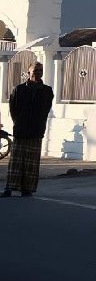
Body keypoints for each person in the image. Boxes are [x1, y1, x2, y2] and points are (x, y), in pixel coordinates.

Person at [2, 62, 54, 198]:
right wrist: (18, 122)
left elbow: (45, 111)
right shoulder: (19, 89)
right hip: (20, 130)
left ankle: (27, 189)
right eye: (35, 71)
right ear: (28, 73)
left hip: (36, 131)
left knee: (31, 163)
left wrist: (38, 124)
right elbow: (13, 109)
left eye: (40, 71)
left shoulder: (47, 91)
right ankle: (9, 188)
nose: (37, 74)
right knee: (16, 162)